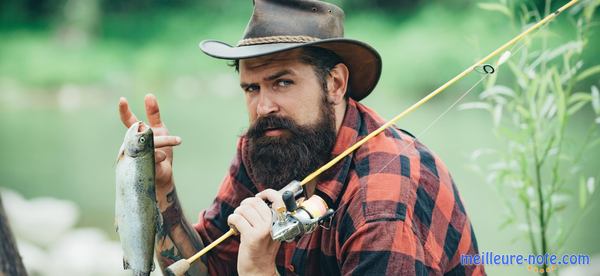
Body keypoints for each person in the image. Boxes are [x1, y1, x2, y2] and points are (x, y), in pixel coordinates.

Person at [117, 0, 485, 275]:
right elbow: (202, 268)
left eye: (282, 82)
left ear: (336, 83)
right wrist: (158, 186)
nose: (263, 107)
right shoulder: (268, 146)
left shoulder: (383, 206)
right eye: (251, 88)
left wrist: (261, 271)